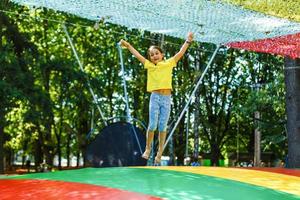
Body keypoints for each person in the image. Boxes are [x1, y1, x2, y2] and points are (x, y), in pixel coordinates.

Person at [120, 32, 194, 164]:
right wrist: (128, 45)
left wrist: (188, 41)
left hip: (166, 98)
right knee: (153, 124)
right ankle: (148, 149)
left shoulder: (169, 63)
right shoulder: (149, 65)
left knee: (162, 126)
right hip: (155, 97)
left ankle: (159, 153)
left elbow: (180, 53)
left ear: (162, 54)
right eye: (152, 54)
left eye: (156, 53)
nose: (154, 56)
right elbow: (137, 55)